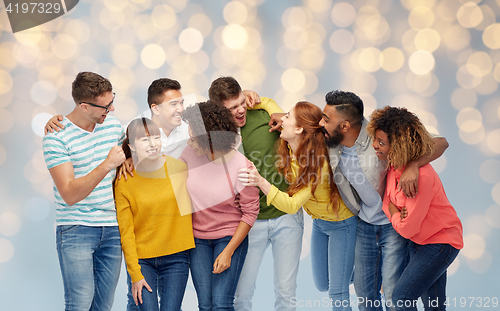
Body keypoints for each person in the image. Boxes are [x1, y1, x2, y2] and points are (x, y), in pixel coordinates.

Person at [318, 91, 449, 311]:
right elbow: (301, 121)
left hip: (393, 226)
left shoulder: (380, 136)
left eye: (326, 119)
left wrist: (413, 165)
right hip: (363, 224)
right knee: (365, 297)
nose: (321, 123)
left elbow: (441, 142)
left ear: (345, 126)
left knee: (393, 295)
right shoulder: (330, 141)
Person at [238, 101, 357, 311]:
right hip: (320, 223)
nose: (280, 118)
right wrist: (249, 94)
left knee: (337, 292)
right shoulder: (290, 149)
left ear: (300, 128)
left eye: (287, 117)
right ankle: (361, 270)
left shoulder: (316, 161)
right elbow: (268, 105)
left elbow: (292, 205)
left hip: (342, 224)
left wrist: (261, 182)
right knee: (322, 283)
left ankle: (366, 272)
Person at [208, 76, 304, 311]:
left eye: (242, 102)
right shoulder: (214, 133)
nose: (241, 110)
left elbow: (299, 127)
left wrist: (269, 105)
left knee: (286, 293)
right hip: (249, 223)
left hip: (286, 217)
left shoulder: (264, 115)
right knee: (241, 295)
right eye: (232, 108)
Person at [42, 72, 125, 310]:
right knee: (79, 303)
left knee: (103, 305)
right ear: (84, 106)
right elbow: (69, 194)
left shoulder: (111, 125)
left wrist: (127, 158)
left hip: (112, 228)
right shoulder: (56, 137)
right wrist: (107, 164)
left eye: (111, 102)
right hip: (76, 228)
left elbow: (135, 145)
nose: (111, 109)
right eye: (106, 106)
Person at [367, 106, 462, 311]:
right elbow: (385, 202)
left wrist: (394, 212)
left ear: (398, 145)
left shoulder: (421, 178)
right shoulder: (393, 166)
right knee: (434, 305)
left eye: (381, 142)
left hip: (440, 242)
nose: (375, 145)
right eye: (375, 139)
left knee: (401, 297)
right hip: (419, 240)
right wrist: (395, 212)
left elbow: (407, 227)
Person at [180, 101, 260, 311]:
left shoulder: (242, 166)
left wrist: (228, 251)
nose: (189, 142)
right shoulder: (190, 154)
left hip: (229, 237)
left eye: (194, 138)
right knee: (205, 305)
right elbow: (167, 172)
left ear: (210, 139)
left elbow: (250, 213)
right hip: (198, 240)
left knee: (221, 304)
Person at [114, 117, 195, 311]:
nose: (153, 144)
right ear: (132, 146)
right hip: (143, 261)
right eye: (144, 139)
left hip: (176, 257)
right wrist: (135, 274)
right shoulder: (124, 179)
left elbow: (206, 186)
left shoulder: (178, 167)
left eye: (156, 138)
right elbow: (126, 232)